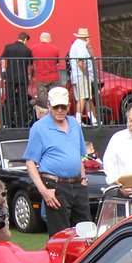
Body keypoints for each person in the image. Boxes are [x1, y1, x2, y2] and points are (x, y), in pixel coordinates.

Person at [24, 86, 90, 236]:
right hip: (55, 185)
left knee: (86, 232)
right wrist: (44, 191)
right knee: (60, 235)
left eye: (63, 106)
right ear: (48, 106)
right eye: (56, 107)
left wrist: (83, 178)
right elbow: (30, 162)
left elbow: (79, 153)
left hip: (77, 184)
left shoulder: (74, 123)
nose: (59, 110)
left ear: (68, 106)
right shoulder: (39, 128)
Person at [0, 31, 33, 128]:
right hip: (22, 77)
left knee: (9, 99)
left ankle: (8, 123)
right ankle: (21, 123)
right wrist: (30, 75)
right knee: (22, 100)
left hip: (10, 76)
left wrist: (4, 73)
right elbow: (31, 66)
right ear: (25, 39)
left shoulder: (8, 47)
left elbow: (3, 60)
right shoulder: (27, 50)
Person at [68, 28, 95, 125]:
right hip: (81, 75)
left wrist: (89, 46)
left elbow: (91, 56)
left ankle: (93, 119)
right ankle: (78, 120)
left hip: (78, 75)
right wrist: (87, 74)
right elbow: (80, 63)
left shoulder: (78, 45)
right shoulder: (80, 47)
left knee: (86, 97)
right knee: (82, 98)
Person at [29, 31, 60, 109]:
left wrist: (32, 75)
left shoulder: (34, 48)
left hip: (41, 77)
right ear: (50, 40)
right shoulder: (55, 49)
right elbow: (57, 63)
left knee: (43, 102)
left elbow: (32, 65)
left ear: (40, 39)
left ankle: (44, 115)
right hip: (54, 77)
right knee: (55, 99)